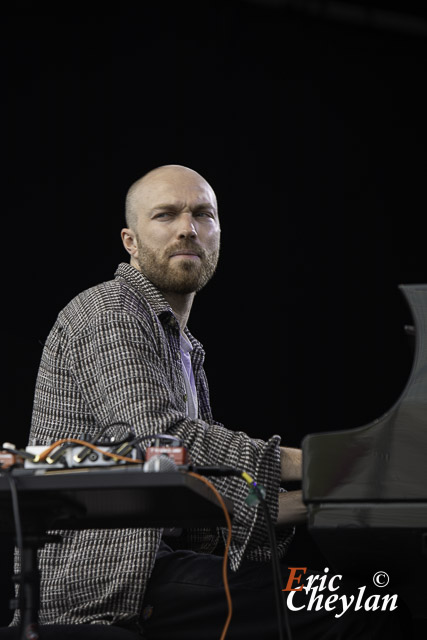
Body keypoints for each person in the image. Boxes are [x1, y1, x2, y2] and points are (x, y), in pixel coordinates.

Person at [11, 165, 408, 639]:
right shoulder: (109, 310)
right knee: (361, 605)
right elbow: (162, 440)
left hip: (164, 574)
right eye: (166, 214)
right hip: (110, 580)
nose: (187, 227)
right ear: (129, 241)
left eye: (203, 214)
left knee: (373, 596)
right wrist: (333, 463)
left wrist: (342, 492)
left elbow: (214, 498)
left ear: (218, 235)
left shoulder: (184, 349)